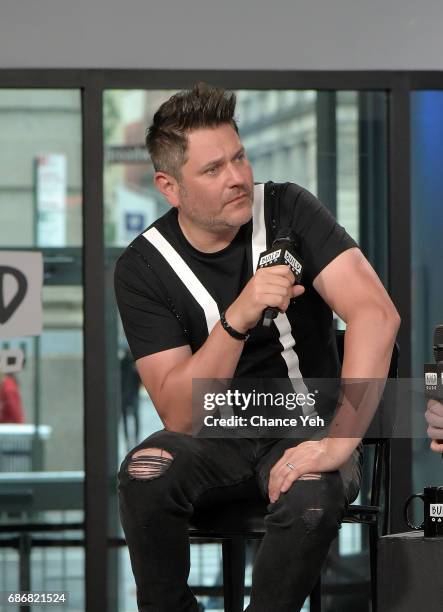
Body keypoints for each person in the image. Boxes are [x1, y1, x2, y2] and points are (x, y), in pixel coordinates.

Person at [114, 83, 400, 612]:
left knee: (313, 491)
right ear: (169, 187)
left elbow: (377, 314)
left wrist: (338, 445)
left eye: (239, 157)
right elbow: (180, 413)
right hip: (213, 433)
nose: (237, 178)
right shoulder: (142, 267)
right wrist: (239, 316)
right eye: (213, 169)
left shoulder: (288, 209)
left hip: (305, 423)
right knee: (143, 471)